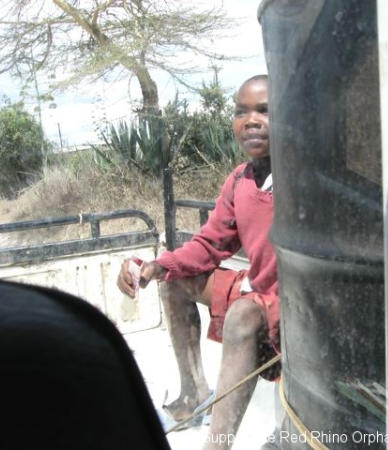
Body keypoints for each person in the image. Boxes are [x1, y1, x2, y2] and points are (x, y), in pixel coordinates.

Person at [117, 74, 279, 449]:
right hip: (261, 290)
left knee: (243, 314)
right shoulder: (241, 180)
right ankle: (194, 395)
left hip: (295, 303)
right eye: (241, 111)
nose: (251, 120)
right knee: (174, 280)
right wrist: (157, 265)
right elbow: (209, 245)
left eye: (265, 110)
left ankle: (216, 445)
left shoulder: (305, 179)